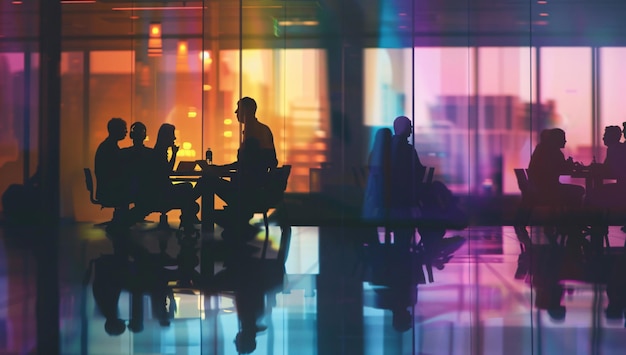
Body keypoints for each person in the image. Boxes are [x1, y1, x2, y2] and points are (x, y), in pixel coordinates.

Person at [194, 97, 278, 241]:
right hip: (252, 188)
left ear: (247, 111)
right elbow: (265, 162)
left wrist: (217, 169)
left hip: (246, 191)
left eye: (238, 109)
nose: (235, 112)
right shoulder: (261, 130)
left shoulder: (254, 134)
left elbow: (245, 164)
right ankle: (190, 210)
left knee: (207, 181)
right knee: (209, 180)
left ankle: (190, 210)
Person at [94, 117, 130, 207]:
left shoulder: (107, 146)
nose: (126, 132)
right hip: (110, 191)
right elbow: (117, 171)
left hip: (106, 189)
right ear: (116, 130)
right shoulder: (110, 148)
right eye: (124, 129)